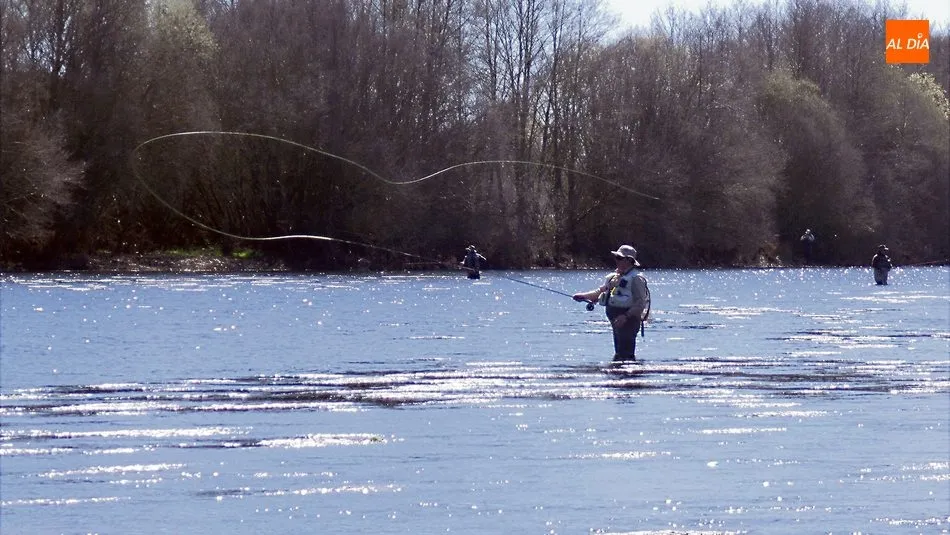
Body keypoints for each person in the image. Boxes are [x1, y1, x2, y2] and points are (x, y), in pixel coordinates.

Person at [573, 244, 651, 362]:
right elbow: (600, 292)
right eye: (616, 257)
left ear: (629, 261)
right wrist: (583, 296)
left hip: (628, 319)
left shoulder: (636, 279)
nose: (616, 260)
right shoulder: (614, 277)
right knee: (619, 352)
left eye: (619, 258)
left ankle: (628, 376)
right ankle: (618, 374)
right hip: (616, 319)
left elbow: (640, 303)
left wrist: (625, 316)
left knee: (626, 353)